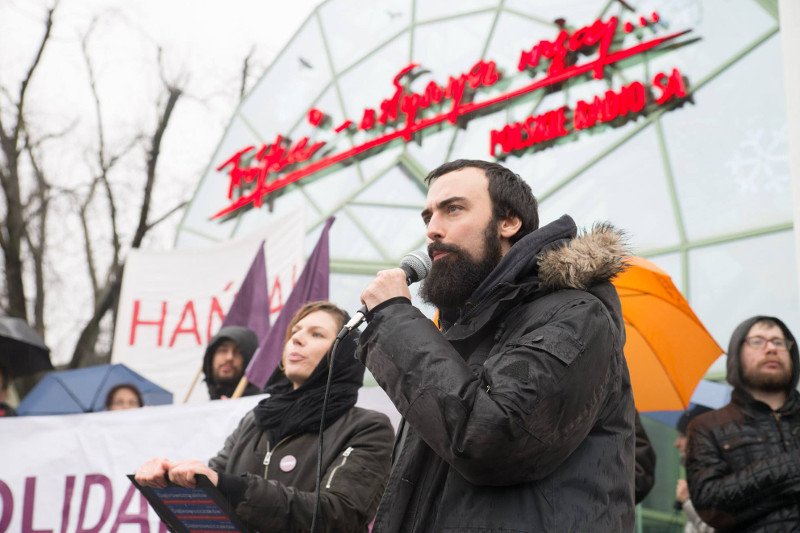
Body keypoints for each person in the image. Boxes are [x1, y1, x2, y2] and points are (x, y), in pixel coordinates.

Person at [357, 159, 635, 531]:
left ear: (509, 221)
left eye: (453, 209)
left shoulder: (574, 315)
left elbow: (489, 437)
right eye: (428, 218)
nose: (434, 231)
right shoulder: (452, 336)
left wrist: (393, 317)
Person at [136, 301, 394, 532]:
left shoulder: (368, 427)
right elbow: (212, 490)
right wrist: (171, 483)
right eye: (294, 332)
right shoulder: (254, 421)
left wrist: (235, 489)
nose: (297, 339)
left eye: (316, 334)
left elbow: (337, 515)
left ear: (343, 353)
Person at [686, 315, 800, 531]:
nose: (771, 349)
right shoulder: (707, 427)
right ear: (737, 354)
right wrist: (793, 467)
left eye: (779, 342)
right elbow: (711, 505)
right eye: (757, 341)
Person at [674, 405, 714, 533]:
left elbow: (715, 529)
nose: (676, 443)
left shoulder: (717, 478)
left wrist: (686, 501)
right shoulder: (700, 475)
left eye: (682, 436)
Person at [203, 325, 261, 399]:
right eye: (223, 350)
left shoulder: (266, 405)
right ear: (211, 358)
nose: (229, 357)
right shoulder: (196, 407)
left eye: (238, 352)